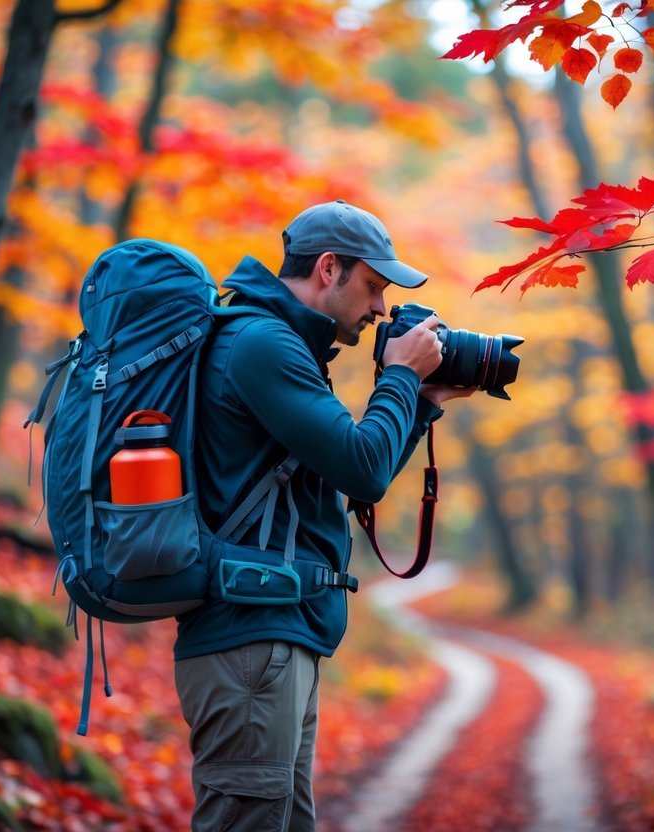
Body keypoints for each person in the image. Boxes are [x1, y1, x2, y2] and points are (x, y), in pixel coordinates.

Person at [174, 200, 471, 831]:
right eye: (373, 286)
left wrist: (418, 402)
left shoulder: (287, 349)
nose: (382, 309)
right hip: (250, 641)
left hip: (275, 634)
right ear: (329, 268)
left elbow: (354, 474)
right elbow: (361, 466)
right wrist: (397, 376)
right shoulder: (260, 343)